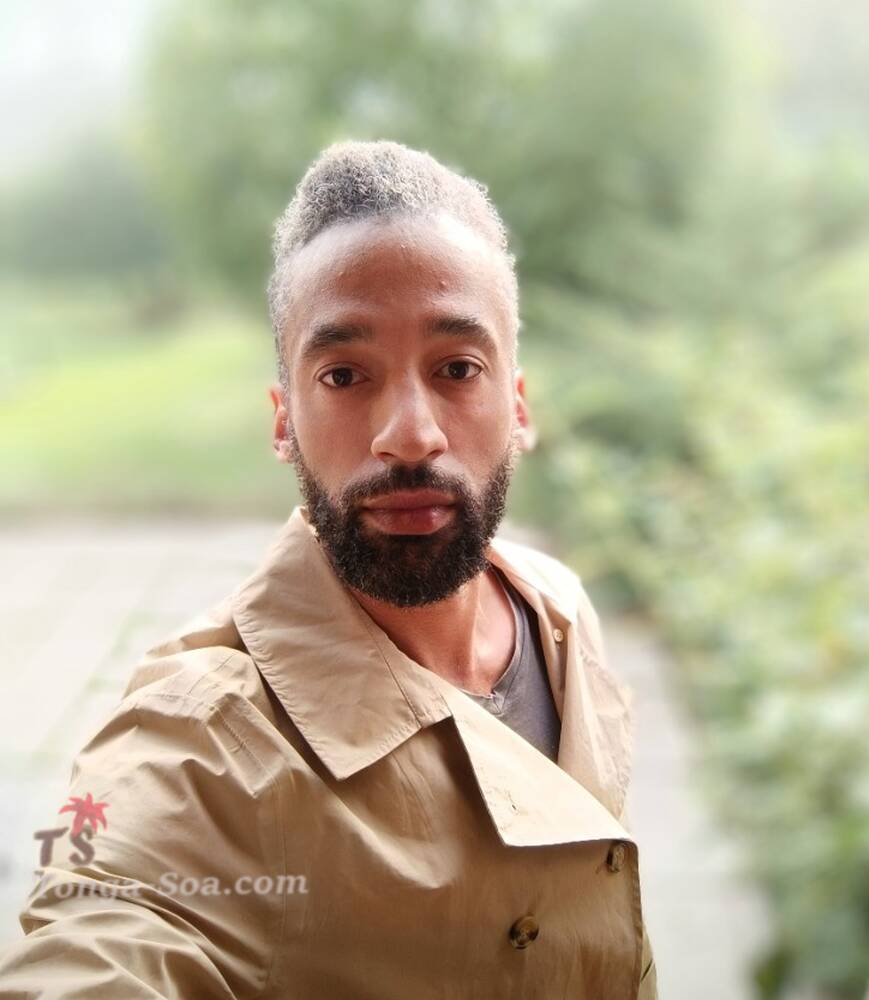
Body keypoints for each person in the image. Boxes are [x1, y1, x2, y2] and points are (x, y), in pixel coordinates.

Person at [0, 140, 658, 998]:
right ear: (284, 422)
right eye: (344, 375)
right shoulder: (205, 738)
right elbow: (100, 928)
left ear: (519, 405)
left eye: (458, 369)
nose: (409, 435)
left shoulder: (557, 608)